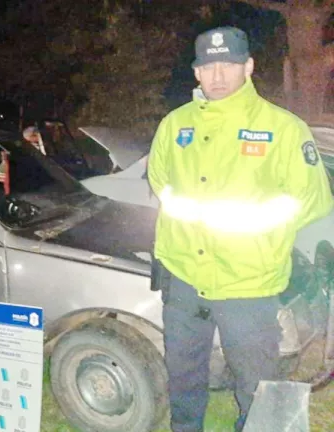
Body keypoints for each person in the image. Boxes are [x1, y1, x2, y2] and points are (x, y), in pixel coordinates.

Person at [147, 26, 334, 432]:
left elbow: (313, 198)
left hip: (249, 284)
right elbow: (160, 182)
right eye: (208, 66)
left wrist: (261, 234)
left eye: (229, 65)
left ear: (248, 67)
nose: (218, 76)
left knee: (256, 386)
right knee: (183, 376)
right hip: (183, 280)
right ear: (196, 73)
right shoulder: (174, 125)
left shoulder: (282, 128)